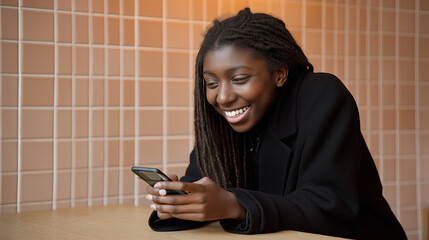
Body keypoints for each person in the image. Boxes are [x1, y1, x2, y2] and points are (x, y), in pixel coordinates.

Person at [144, 8, 407, 240]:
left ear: (279, 74)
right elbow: (204, 192)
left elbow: (331, 208)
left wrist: (236, 205)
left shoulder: (322, 96)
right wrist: (180, 206)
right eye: (211, 83)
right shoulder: (222, 121)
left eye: (239, 78)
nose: (222, 97)